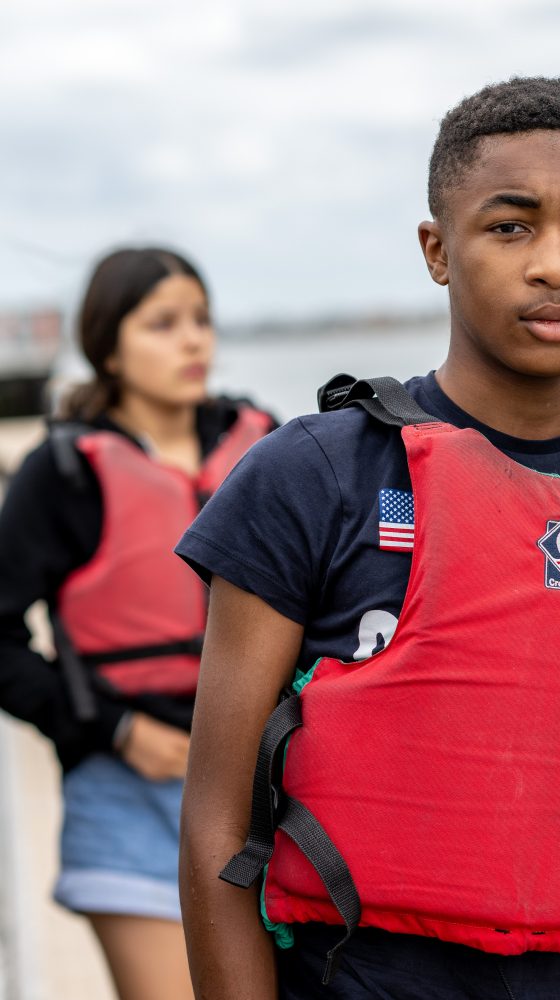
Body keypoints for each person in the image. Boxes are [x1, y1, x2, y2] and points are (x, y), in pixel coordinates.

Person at [176, 76, 560, 1000]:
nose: (555, 265)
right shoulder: (312, 477)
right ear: (437, 250)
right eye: (511, 226)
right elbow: (217, 822)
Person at [0, 246, 274, 1000]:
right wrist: (115, 731)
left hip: (266, 792)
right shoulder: (61, 474)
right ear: (108, 347)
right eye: (162, 324)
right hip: (127, 795)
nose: (193, 341)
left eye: (201, 320)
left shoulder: (267, 448)